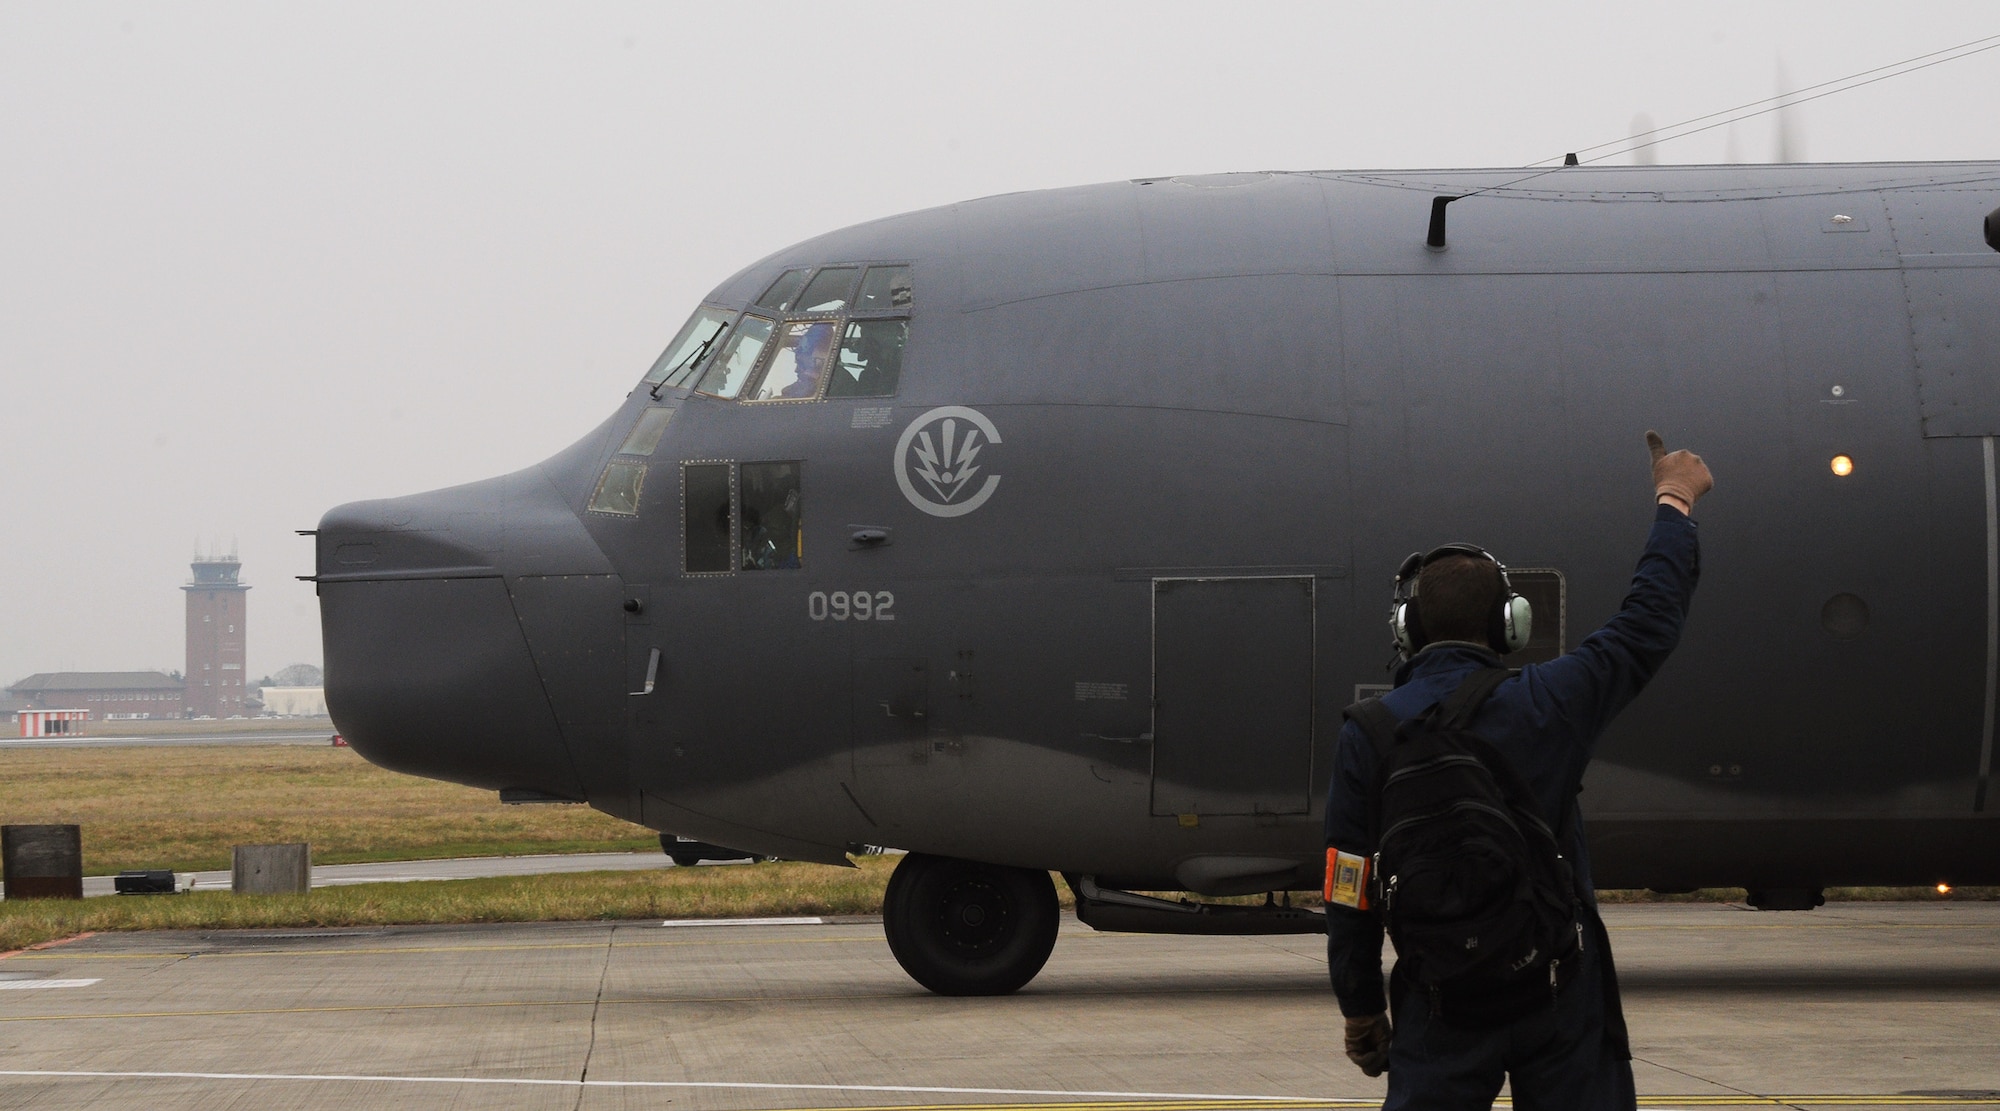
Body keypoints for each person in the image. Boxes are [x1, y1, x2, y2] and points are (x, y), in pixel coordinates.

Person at [1324, 430, 1714, 1108]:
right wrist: (1673, 499)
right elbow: (1648, 619)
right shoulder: (1552, 701)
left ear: (1406, 630)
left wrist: (1361, 1010)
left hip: (1438, 997)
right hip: (1556, 990)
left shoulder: (1371, 733)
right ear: (1511, 625)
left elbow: (1347, 885)